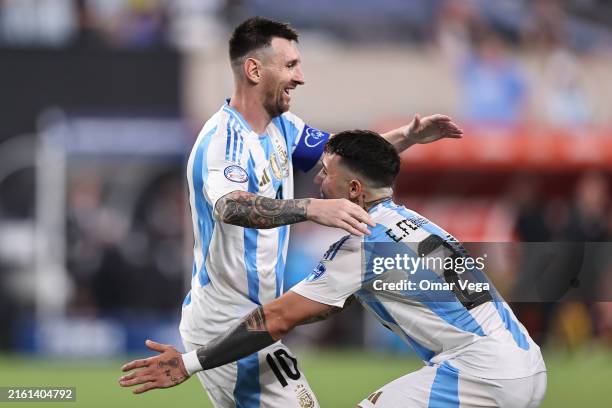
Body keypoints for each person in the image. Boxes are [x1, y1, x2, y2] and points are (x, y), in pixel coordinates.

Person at [121, 16, 462, 407]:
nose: (300, 77)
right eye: (290, 65)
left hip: (254, 317)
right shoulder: (222, 142)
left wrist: (407, 137)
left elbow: (345, 161)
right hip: (226, 320)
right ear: (253, 69)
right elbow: (230, 205)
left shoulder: (285, 128)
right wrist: (311, 207)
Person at [120, 130, 547, 407]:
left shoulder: (362, 245)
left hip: (480, 376)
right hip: (528, 365)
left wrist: (191, 362)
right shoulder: (418, 224)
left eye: (325, 174)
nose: (319, 183)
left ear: (354, 190)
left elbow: (279, 318)